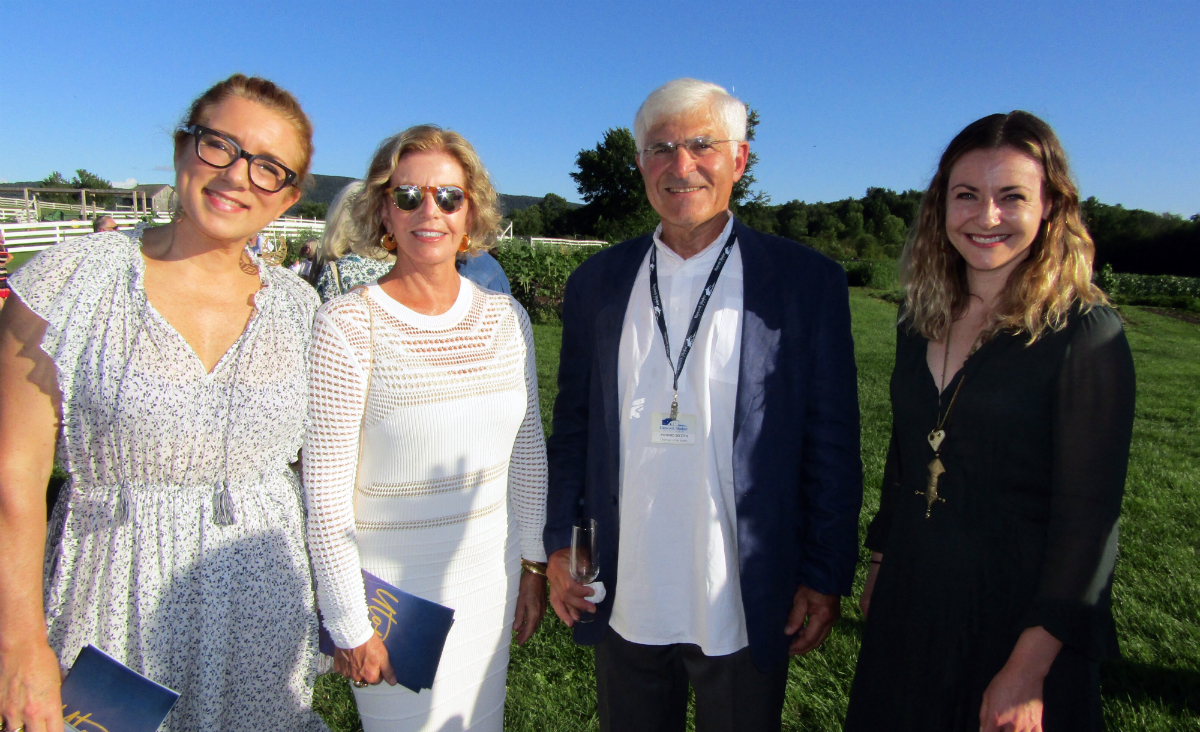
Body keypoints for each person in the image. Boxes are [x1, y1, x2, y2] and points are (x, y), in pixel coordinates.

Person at [0, 74, 329, 732]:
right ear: (184, 150)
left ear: (288, 197)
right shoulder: (69, 282)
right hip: (111, 602)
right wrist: (20, 647)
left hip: (261, 607)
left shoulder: (301, 308)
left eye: (268, 168)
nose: (238, 177)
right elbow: (13, 478)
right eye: (220, 146)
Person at [544, 78, 863, 731]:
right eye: (660, 148)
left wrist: (825, 573)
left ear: (739, 159)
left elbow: (832, 441)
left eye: (701, 145)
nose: (680, 165)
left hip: (742, 594)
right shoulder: (597, 284)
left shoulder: (805, 284)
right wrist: (558, 543)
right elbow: (573, 427)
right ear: (639, 165)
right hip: (625, 587)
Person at [845, 111, 1136, 732]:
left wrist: (1029, 670)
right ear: (940, 205)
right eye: (967, 195)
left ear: (1051, 206)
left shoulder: (1084, 334)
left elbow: (1089, 525)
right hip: (912, 598)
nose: (987, 217)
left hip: (1015, 618)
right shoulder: (917, 318)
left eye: (1012, 197)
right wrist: (879, 566)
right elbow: (903, 461)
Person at [304, 124, 548, 732]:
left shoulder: (507, 317)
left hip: (488, 585)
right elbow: (324, 496)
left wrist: (534, 566)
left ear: (472, 211)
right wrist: (349, 622)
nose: (429, 211)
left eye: (448, 196)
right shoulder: (346, 325)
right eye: (408, 195)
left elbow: (527, 453)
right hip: (394, 607)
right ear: (384, 209)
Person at [314, 181, 511, 301]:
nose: (429, 212)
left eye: (448, 200)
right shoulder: (412, 266)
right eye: (409, 200)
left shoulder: (337, 273)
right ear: (384, 216)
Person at [0, 230, 11, 312]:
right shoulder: (3, 247)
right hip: (3, 272)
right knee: (4, 293)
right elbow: (10, 257)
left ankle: (4, 312)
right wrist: (3, 263)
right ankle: (9, 311)